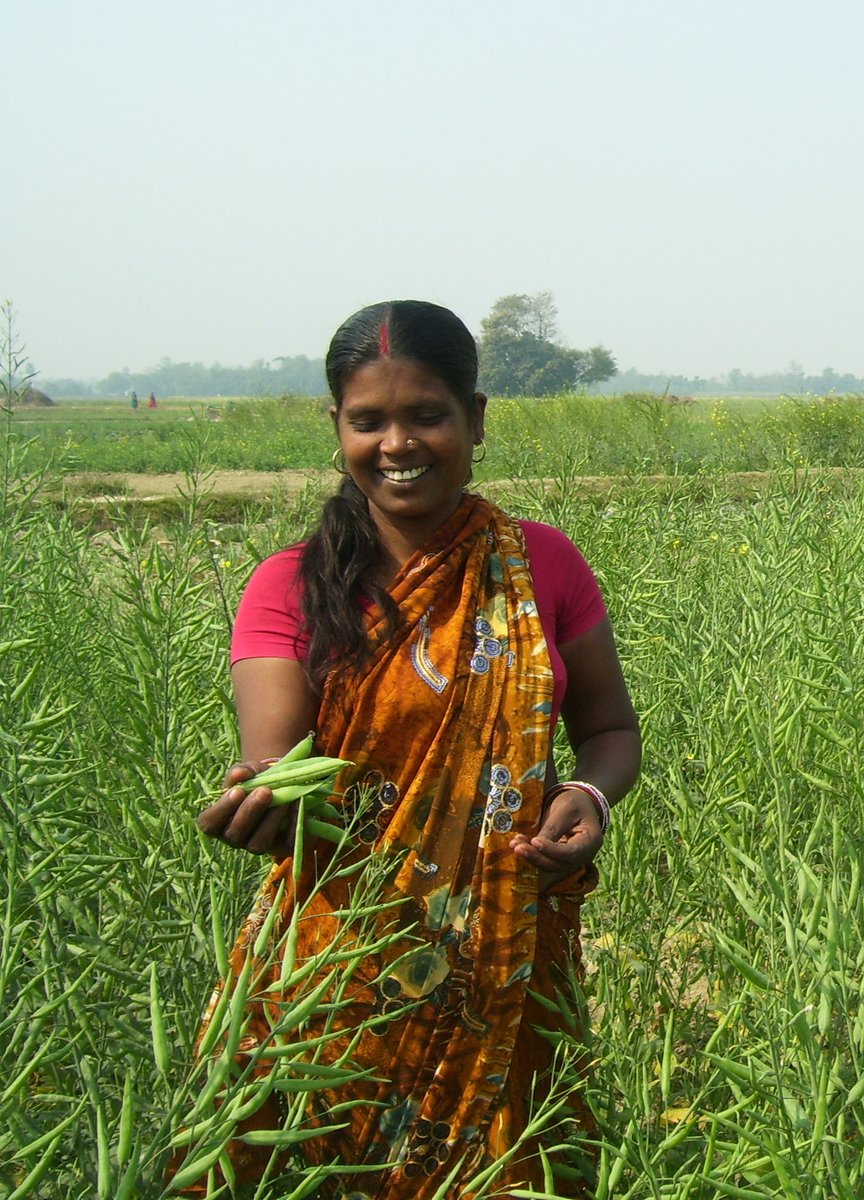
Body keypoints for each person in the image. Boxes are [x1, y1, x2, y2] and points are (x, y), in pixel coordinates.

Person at [190, 300, 640, 1196]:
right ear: (338, 428)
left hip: (505, 954)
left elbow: (610, 733)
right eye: (370, 421)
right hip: (338, 964)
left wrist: (586, 799)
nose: (399, 442)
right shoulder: (289, 584)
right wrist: (266, 810)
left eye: (427, 415)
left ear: (474, 420)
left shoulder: (543, 565)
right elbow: (276, 765)